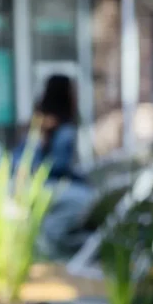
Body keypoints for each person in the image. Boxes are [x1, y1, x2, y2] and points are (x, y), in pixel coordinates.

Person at [12, 75, 94, 254]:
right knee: (85, 199)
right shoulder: (62, 130)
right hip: (43, 185)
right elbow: (57, 166)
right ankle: (51, 243)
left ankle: (51, 241)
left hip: (32, 185)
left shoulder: (38, 124)